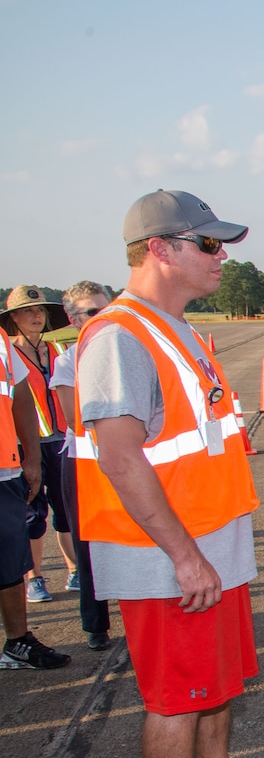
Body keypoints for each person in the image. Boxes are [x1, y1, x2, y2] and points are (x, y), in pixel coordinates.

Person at [77, 189, 264, 758]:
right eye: (207, 244)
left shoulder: (173, 328)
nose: (221, 256)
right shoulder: (121, 336)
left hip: (209, 543)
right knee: (175, 697)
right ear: (159, 250)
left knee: (214, 683)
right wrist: (183, 554)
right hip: (168, 557)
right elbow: (120, 456)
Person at [50, 281, 114, 651]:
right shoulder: (67, 361)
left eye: (105, 307)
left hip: (132, 459)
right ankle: (95, 623)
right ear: (75, 320)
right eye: (91, 312)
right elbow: (76, 420)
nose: (101, 316)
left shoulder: (129, 349)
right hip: (86, 464)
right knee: (88, 545)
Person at [2, 286, 77, 603]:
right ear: (14, 319)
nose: (35, 316)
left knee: (66, 509)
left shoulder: (61, 350)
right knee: (33, 515)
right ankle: (35, 577)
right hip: (26, 445)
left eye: (40, 311)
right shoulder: (9, 356)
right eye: (27, 311)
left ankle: (74, 569)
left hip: (61, 441)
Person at [0, 298, 62, 671]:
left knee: (10, 559)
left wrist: (32, 460)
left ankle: (18, 641)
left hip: (5, 469)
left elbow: (20, 398)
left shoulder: (1, 345)